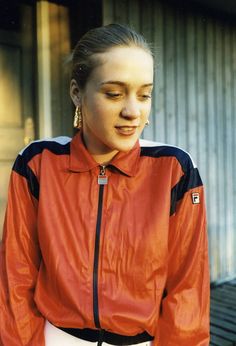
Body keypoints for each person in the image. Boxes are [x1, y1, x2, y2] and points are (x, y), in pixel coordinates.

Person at [0, 23, 210, 346]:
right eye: (114, 93)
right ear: (76, 93)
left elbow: (187, 295)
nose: (133, 111)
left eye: (144, 95)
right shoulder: (36, 164)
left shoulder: (175, 171)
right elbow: (16, 279)